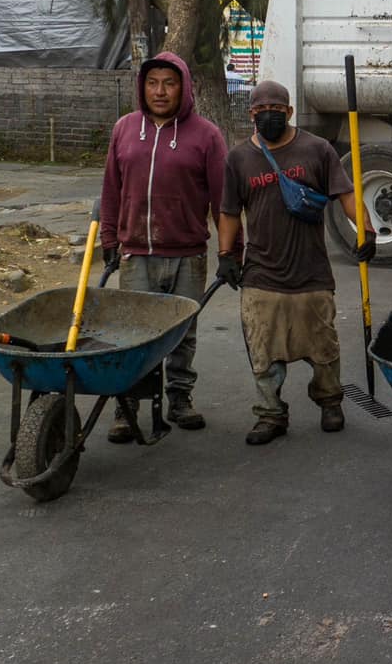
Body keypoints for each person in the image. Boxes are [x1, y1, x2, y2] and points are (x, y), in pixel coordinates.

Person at [215, 81, 375, 445]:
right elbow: (229, 211)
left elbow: (345, 195)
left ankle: (330, 402)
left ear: (289, 112)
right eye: (260, 110)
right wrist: (226, 255)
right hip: (261, 273)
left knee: (323, 349)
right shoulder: (238, 158)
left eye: (276, 108)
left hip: (311, 273)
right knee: (263, 349)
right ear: (251, 114)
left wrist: (366, 233)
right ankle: (271, 413)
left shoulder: (316, 150)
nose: (268, 114)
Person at [97, 52, 226, 439]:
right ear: (142, 87)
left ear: (184, 87)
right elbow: (111, 190)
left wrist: (232, 251)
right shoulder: (124, 129)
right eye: (152, 82)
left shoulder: (207, 136)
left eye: (169, 83)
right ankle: (128, 406)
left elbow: (223, 201)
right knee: (133, 334)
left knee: (181, 334)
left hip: (187, 253)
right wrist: (108, 238)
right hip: (136, 253)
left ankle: (180, 398)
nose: (160, 91)